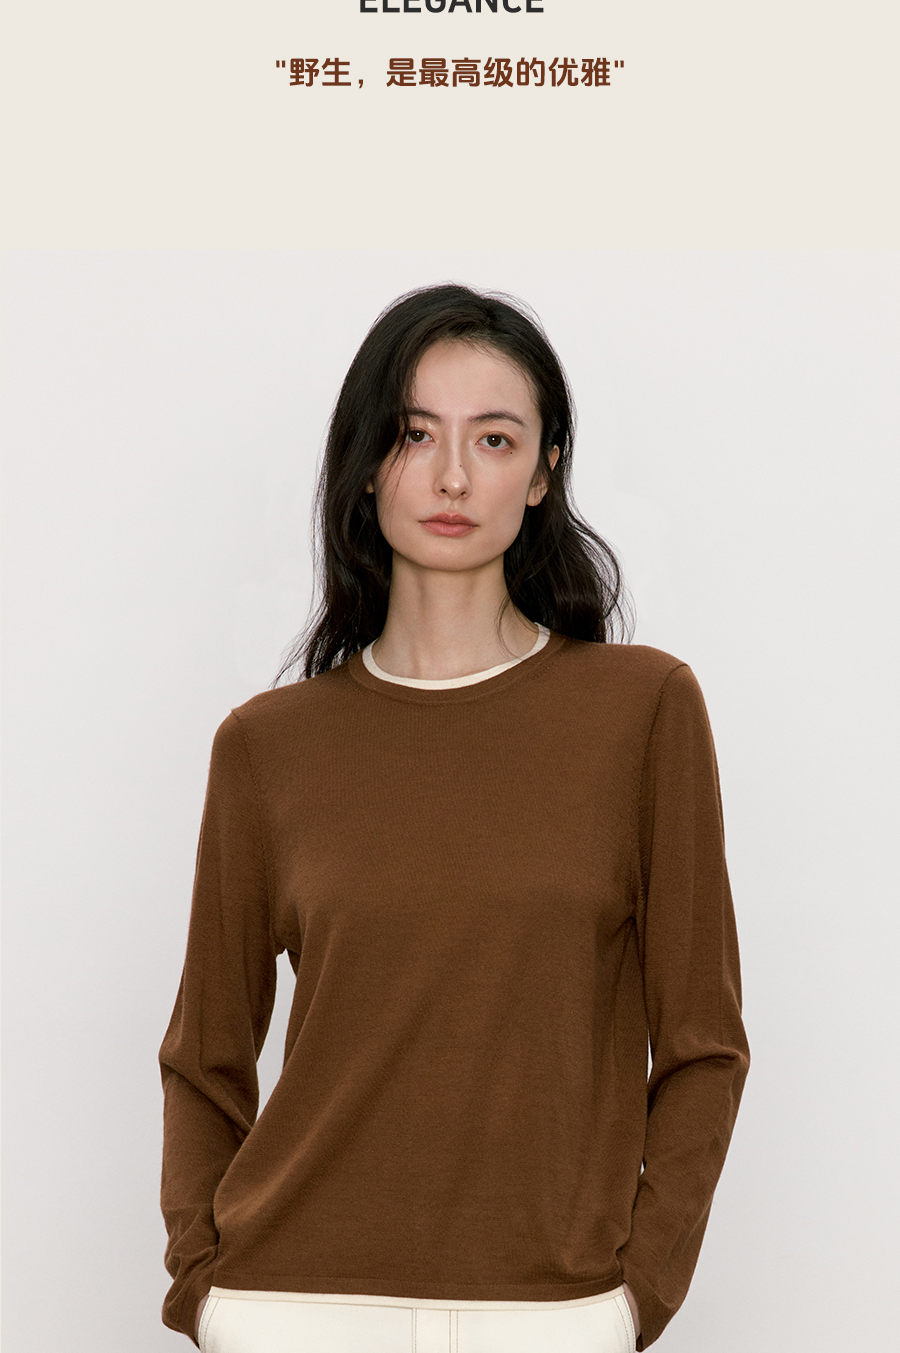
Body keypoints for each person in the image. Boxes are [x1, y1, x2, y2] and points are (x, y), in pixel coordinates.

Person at [159, 283, 750, 1353]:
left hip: (555, 1312)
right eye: (414, 433)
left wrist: (636, 1296)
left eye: (494, 438)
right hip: (292, 1305)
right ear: (367, 462)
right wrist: (205, 1286)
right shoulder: (267, 746)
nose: (452, 477)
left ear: (544, 471)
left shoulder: (643, 712)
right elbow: (205, 1056)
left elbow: (704, 1044)